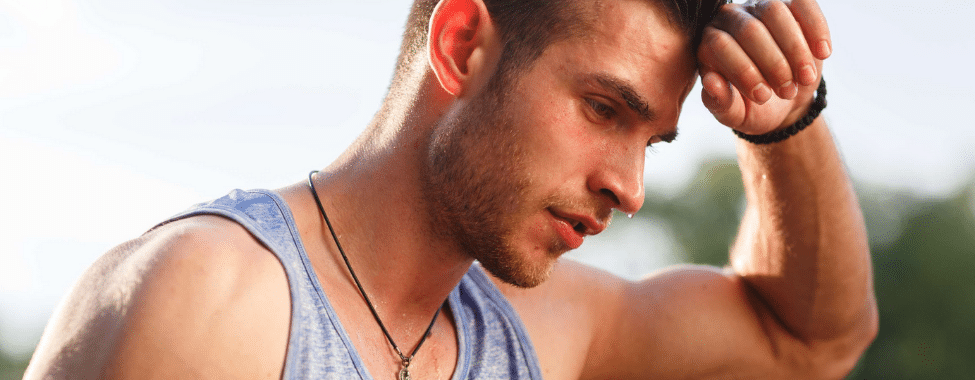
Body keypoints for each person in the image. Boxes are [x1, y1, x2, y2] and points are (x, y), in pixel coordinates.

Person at [25, 0, 878, 378]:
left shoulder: (539, 330)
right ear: (464, 43)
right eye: (601, 107)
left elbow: (812, 343)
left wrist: (782, 124)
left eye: (649, 138)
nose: (629, 186)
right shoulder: (211, 299)